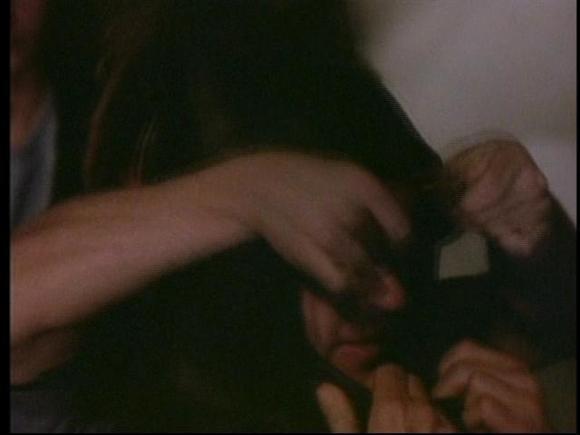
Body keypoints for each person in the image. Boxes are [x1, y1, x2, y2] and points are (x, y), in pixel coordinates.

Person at [11, 0, 575, 432]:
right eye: (341, 255)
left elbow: (544, 323)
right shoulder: (139, 384)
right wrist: (241, 195)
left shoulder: (410, 350)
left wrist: (535, 236)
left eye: (389, 254)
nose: (390, 297)